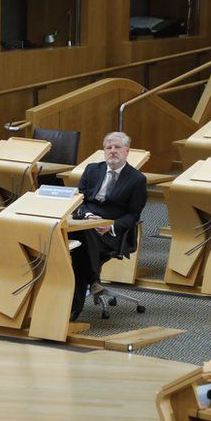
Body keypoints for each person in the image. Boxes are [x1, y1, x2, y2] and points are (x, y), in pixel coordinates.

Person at [70, 132, 147, 319]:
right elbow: (79, 199)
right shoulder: (91, 170)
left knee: (78, 251)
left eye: (117, 147)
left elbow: (134, 214)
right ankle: (93, 281)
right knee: (80, 240)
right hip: (86, 225)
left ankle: (73, 308)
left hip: (110, 233)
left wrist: (111, 227)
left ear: (127, 151)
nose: (112, 151)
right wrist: (88, 216)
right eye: (108, 148)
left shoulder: (137, 179)